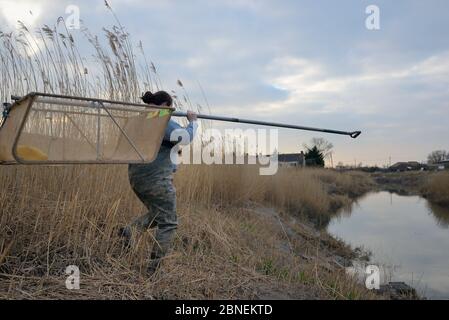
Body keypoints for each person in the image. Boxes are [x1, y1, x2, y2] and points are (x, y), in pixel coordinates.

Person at [120, 90, 198, 275]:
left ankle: (131, 230)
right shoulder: (159, 118)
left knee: (159, 214)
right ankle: (153, 269)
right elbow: (185, 137)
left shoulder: (140, 121)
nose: (170, 112)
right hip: (156, 180)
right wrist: (193, 121)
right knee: (169, 222)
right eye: (170, 108)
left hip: (137, 178)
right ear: (165, 105)